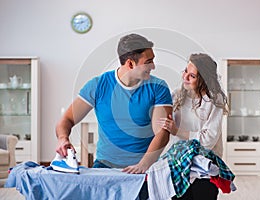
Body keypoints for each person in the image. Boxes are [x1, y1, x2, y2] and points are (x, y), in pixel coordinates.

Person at [55, 33, 173, 198]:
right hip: (105, 166)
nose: (153, 66)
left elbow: (162, 132)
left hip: (144, 167)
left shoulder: (158, 87)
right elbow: (66, 120)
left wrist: (143, 164)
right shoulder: (98, 85)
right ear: (130, 63)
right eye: (148, 61)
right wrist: (63, 138)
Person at [157, 53, 228, 200]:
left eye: (192, 76)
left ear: (204, 80)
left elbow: (208, 141)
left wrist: (177, 131)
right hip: (177, 165)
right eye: (185, 71)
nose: (185, 77)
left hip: (205, 168)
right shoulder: (176, 96)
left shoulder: (214, 100)